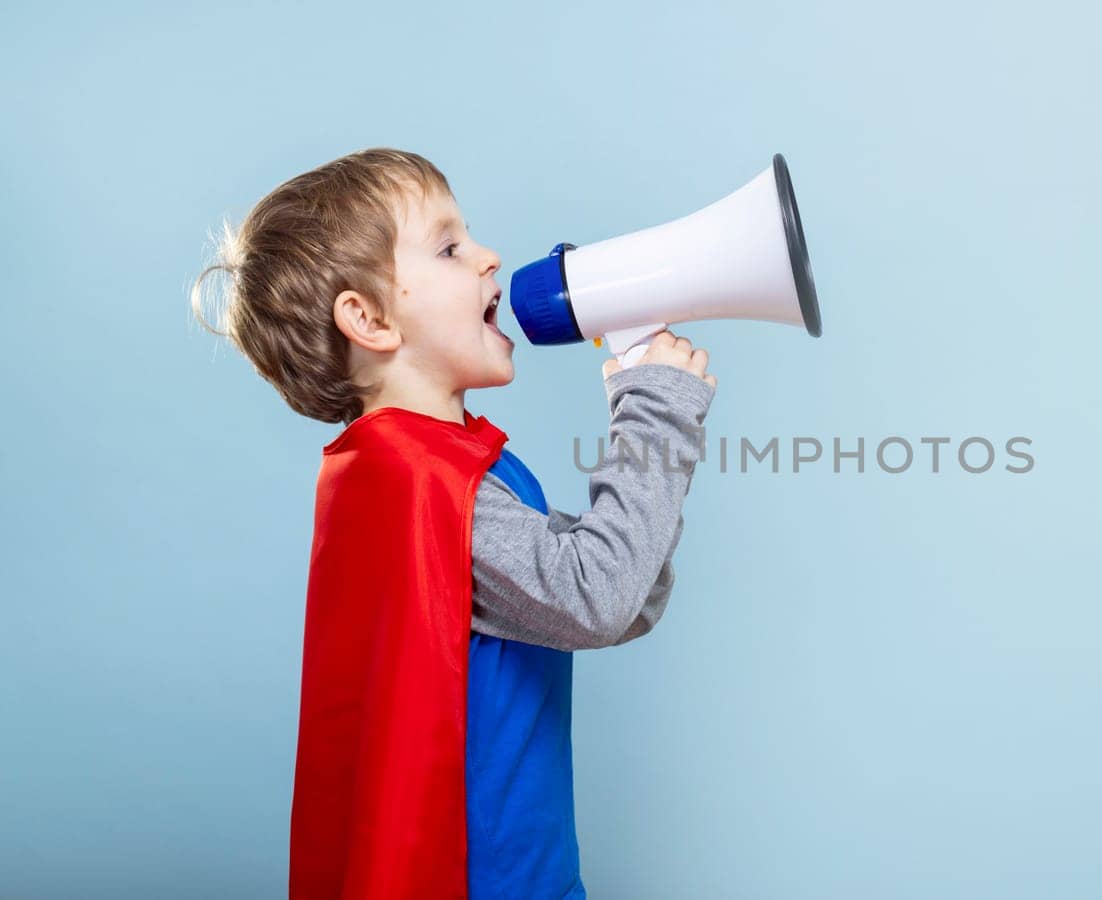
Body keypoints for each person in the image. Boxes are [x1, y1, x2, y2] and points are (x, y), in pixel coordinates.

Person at [190, 147, 714, 899]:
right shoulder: (421, 483)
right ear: (368, 318)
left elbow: (618, 596)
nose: (488, 256)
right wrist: (656, 412)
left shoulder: (455, 468)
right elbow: (599, 597)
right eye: (449, 247)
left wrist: (653, 439)